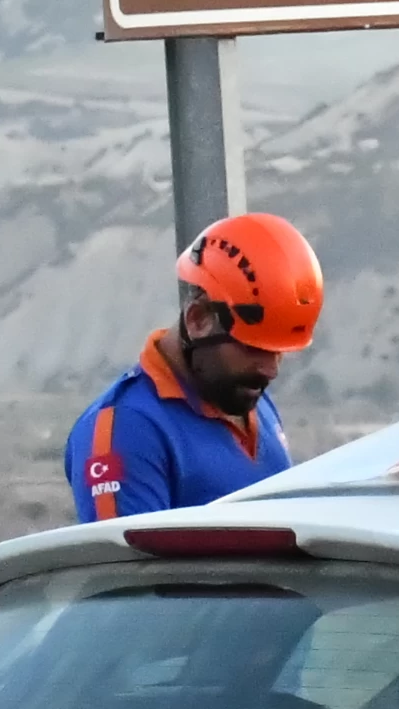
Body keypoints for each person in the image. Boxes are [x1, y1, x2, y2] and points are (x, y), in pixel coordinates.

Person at [66, 213, 324, 522]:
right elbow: (125, 568)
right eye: (254, 348)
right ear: (198, 319)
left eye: (279, 352)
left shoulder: (248, 397)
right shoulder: (125, 430)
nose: (271, 370)